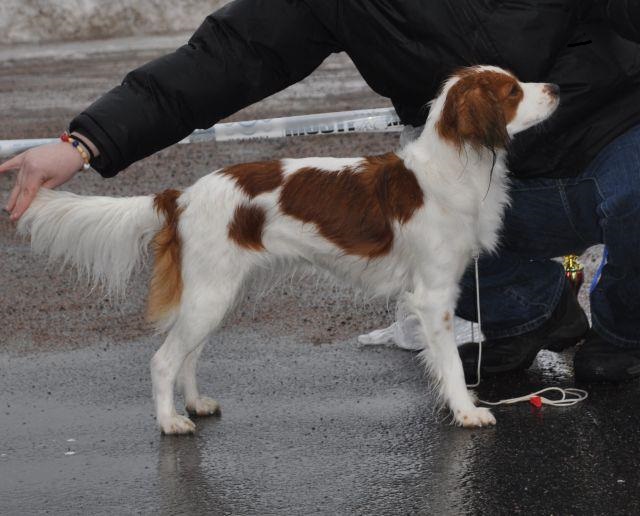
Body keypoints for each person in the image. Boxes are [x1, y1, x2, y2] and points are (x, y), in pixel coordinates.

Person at [2, 0, 639, 383]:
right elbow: (228, 54)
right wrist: (86, 142)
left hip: (611, 134)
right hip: (485, 179)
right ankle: (529, 310)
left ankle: (623, 327)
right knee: (455, 256)